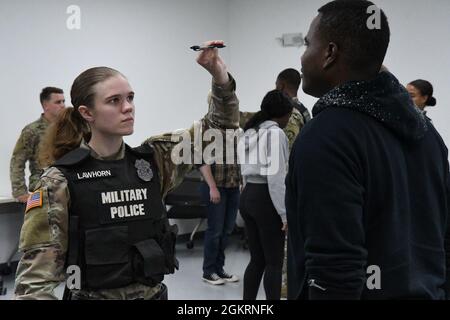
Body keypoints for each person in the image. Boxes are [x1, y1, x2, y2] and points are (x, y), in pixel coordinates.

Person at [14, 40, 239, 300]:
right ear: (87, 112)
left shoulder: (155, 160)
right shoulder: (58, 182)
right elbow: (34, 284)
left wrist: (219, 76)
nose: (128, 107)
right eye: (114, 101)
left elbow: (219, 132)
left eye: (130, 98)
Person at [286, 0, 450, 299]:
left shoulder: (325, 137)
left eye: (308, 44)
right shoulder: (430, 136)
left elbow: (334, 273)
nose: (302, 56)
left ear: (329, 54)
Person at [238, 90, 293, 300]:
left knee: (257, 260)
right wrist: (284, 214)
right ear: (282, 113)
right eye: (289, 115)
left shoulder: (251, 131)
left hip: (248, 195)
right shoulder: (276, 133)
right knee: (274, 262)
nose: (289, 119)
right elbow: (276, 178)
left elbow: (243, 167)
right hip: (265, 198)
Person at [10, 87, 65, 203]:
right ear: (46, 105)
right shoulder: (32, 131)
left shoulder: (68, 128)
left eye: (63, 101)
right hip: (43, 188)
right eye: (58, 102)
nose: (63, 105)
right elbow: (17, 162)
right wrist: (20, 193)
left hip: (67, 186)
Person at [199, 161, 241, 285]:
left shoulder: (235, 140)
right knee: (215, 230)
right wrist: (212, 187)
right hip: (215, 187)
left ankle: (219, 269)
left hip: (233, 187)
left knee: (227, 230)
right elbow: (201, 162)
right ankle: (208, 271)